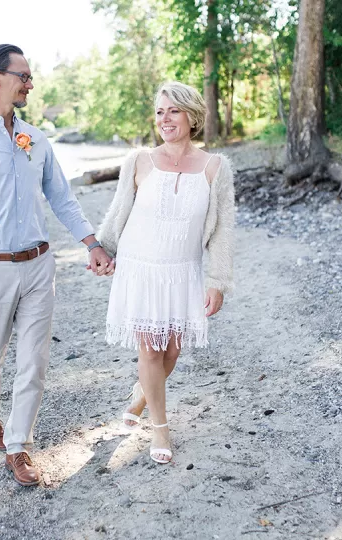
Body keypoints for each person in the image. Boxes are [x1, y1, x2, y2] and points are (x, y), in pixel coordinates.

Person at [0, 44, 113, 486]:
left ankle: (19, 446)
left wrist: (92, 243)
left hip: (38, 265)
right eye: (24, 76)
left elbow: (62, 198)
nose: (30, 84)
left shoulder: (36, 139)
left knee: (34, 359)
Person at [97, 81, 235, 464]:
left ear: (192, 116)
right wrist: (101, 249)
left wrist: (217, 282)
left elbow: (223, 229)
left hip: (183, 272)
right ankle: (160, 429)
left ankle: (141, 397)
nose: (165, 119)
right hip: (141, 269)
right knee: (152, 349)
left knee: (172, 349)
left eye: (173, 111)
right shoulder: (139, 160)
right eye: (159, 112)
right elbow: (118, 213)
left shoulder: (216, 167)